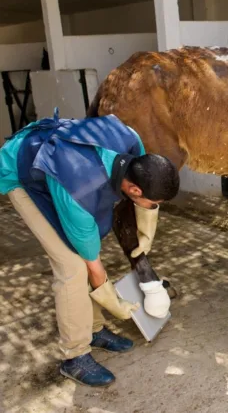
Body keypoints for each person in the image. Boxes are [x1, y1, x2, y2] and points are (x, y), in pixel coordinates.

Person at [0, 109, 180, 387]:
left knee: (87, 246)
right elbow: (92, 265)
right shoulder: (80, 190)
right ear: (134, 190)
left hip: (58, 166)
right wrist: (115, 304)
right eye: (154, 203)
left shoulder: (133, 144)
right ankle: (75, 356)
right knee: (72, 264)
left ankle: (93, 330)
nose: (155, 208)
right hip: (22, 172)